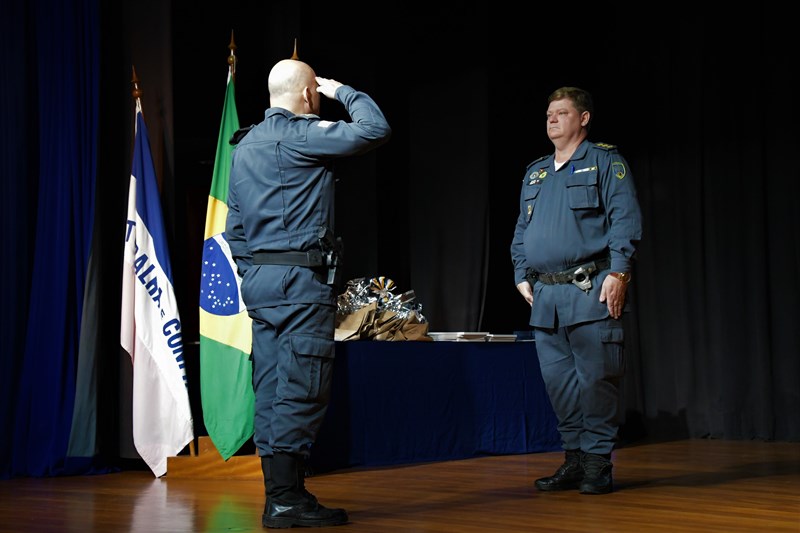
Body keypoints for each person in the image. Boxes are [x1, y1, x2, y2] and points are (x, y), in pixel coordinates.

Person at [225, 58, 391, 527]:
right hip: (301, 285)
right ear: (306, 95)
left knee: (272, 387)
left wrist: (254, 274)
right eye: (315, 91)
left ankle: (283, 493)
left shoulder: (245, 146)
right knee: (303, 387)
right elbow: (375, 128)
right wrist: (342, 89)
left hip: (262, 286)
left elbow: (235, 228)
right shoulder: (302, 133)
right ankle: (284, 499)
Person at [510, 86, 642, 495]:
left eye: (562, 112)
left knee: (598, 381)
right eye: (549, 113)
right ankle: (574, 459)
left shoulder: (605, 162)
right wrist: (521, 272)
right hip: (546, 299)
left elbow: (625, 219)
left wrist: (619, 274)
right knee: (560, 385)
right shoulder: (535, 172)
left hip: (591, 291)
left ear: (583, 119)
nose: (552, 119)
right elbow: (522, 229)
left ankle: (598, 464)